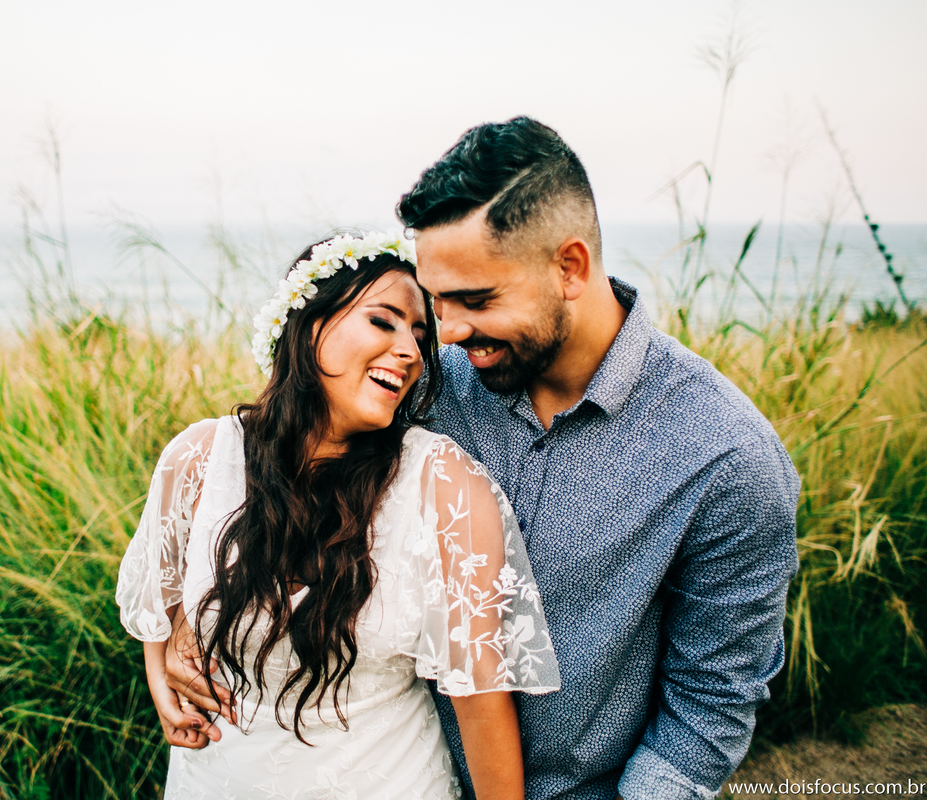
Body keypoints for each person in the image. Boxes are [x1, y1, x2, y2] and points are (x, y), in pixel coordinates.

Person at [394, 117, 801, 800]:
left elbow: (709, 706)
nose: (451, 331)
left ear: (571, 266)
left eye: (476, 300)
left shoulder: (728, 458)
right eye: (436, 301)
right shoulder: (426, 387)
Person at [116, 231, 561, 800]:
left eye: (419, 336)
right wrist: (160, 672)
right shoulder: (200, 459)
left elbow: (479, 702)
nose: (410, 352)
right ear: (309, 324)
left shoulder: (444, 485)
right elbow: (162, 599)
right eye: (384, 321)